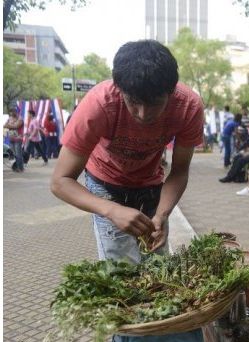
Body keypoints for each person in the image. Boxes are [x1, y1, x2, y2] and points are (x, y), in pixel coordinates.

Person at [50, 39, 204, 265]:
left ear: (171, 92)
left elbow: (179, 171)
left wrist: (162, 214)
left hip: (151, 184)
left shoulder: (189, 106)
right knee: (122, 270)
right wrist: (111, 210)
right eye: (133, 102)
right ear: (119, 88)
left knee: (157, 266)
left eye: (154, 103)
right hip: (105, 183)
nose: (143, 114)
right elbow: (60, 182)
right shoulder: (98, 104)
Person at [4, 108, 25, 172]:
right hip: (11, 138)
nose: (11, 113)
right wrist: (11, 125)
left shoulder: (20, 119)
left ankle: (20, 168)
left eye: (12, 112)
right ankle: (16, 167)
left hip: (18, 139)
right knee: (13, 154)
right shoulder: (9, 118)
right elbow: (4, 125)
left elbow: (16, 126)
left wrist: (9, 125)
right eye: (10, 112)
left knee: (18, 154)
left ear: (15, 112)